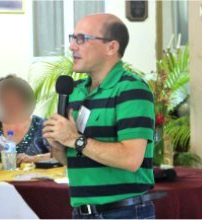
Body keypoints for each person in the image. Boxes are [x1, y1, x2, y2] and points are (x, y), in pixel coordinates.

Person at [43, 13, 156, 219]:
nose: (72, 47)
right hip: (82, 213)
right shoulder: (75, 92)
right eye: (72, 38)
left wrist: (73, 139)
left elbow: (131, 159)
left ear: (111, 47)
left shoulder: (131, 89)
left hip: (125, 212)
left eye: (81, 39)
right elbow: (74, 159)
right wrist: (57, 143)